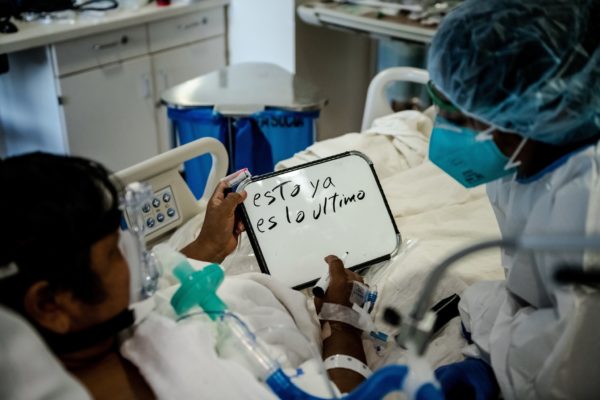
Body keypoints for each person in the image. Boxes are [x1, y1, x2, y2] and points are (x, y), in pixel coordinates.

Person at [0, 152, 365, 398]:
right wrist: (341, 320)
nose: (136, 261)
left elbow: (154, 279)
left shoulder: (91, 332)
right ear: (51, 305)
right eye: (114, 253)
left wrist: (208, 245)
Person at [425, 0, 600, 399]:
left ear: (532, 108)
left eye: (458, 114)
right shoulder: (520, 155)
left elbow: (573, 369)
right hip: (547, 313)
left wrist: (495, 366)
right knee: (475, 302)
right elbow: (528, 288)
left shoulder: (589, 200)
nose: (444, 127)